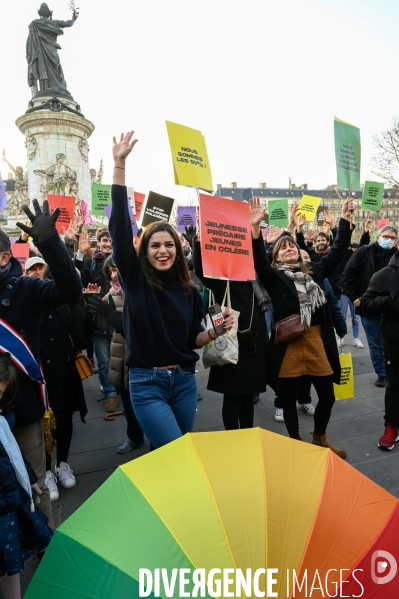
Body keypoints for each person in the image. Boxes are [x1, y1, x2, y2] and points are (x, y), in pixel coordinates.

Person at [108, 131, 233, 449]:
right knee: (175, 450)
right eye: (155, 245)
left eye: (169, 244)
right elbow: (121, 230)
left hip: (183, 381)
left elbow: (194, 339)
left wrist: (216, 330)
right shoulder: (135, 280)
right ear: (145, 251)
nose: (162, 250)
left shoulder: (190, 290)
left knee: (174, 450)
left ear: (178, 251)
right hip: (146, 383)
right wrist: (119, 165)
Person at [0, 200, 81, 535]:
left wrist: (51, 244)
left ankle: (45, 544)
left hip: (24, 408)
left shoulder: (25, 288)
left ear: (4, 258)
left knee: (34, 484)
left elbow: (70, 289)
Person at [250, 196, 354, 458]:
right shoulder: (273, 277)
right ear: (275, 256)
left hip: (317, 340)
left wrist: (343, 219)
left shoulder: (314, 272)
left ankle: (320, 438)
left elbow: (339, 250)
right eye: (282, 248)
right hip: (289, 346)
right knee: (287, 400)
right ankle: (295, 443)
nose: (289, 250)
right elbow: (259, 263)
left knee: (327, 397)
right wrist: (255, 229)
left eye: (292, 247)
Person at [25, 258, 87, 501]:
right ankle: (48, 471)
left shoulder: (66, 301)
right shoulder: (31, 300)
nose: (36, 272)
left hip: (65, 371)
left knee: (65, 417)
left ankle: (63, 464)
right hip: (39, 375)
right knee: (43, 425)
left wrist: (89, 308)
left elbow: (81, 334)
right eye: (32, 269)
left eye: (40, 267)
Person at [192, 234, 269, 431]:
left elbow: (262, 257)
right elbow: (201, 270)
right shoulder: (222, 281)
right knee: (233, 398)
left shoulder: (257, 282)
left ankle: (247, 435)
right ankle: (233, 438)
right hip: (232, 345)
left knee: (248, 397)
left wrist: (255, 232)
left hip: (253, 347)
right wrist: (198, 242)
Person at [0, 354, 52, 599]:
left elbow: (13, 452)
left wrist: (29, 478)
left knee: (10, 562)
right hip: (5, 499)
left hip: (8, 501)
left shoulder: (3, 417)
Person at [87, 256, 144, 454]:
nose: (114, 274)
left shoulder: (141, 288)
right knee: (128, 404)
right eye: (110, 271)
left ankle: (155, 439)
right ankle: (134, 437)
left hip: (143, 357)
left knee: (147, 404)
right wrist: (89, 304)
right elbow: (95, 315)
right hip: (122, 357)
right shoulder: (111, 293)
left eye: (117, 269)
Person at [342, 225, 398, 387]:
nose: (389, 240)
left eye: (393, 238)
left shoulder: (396, 255)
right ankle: (381, 373)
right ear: (378, 236)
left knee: (393, 342)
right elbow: (348, 275)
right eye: (386, 236)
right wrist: (354, 297)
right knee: (375, 343)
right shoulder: (365, 252)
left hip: (391, 308)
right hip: (369, 306)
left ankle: (392, 370)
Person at [75, 229, 118, 412]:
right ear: (98, 243)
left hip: (119, 320)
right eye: (105, 240)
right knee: (103, 361)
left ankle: (123, 388)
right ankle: (110, 394)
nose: (108, 244)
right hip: (99, 323)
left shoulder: (122, 262)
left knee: (122, 359)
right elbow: (77, 271)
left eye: (111, 240)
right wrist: (80, 251)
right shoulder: (92, 264)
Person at [361, 248, 399, 450]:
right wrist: (392, 301)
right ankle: (392, 426)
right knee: (395, 385)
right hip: (395, 339)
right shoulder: (385, 274)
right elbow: (366, 304)